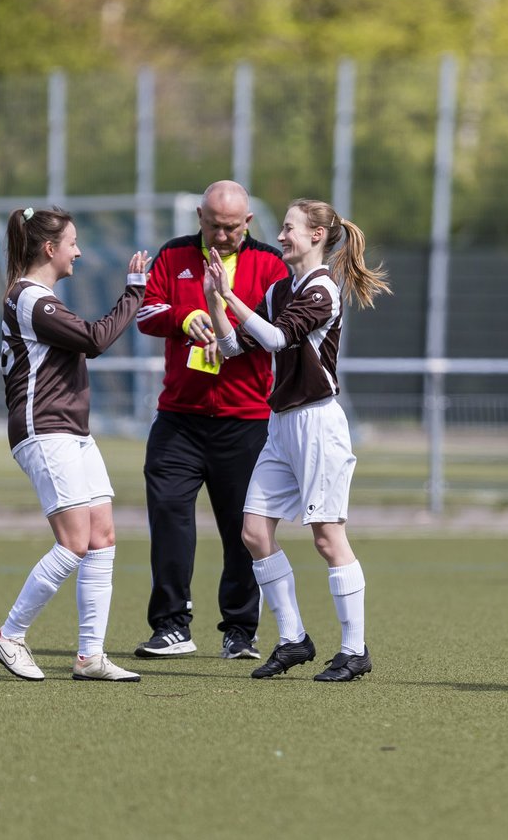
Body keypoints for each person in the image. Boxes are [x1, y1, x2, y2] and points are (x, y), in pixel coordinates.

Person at [202, 197, 390, 682]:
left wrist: (233, 299)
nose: (281, 235)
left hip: (317, 426)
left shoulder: (323, 289)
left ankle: (354, 650)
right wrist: (215, 300)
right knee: (254, 532)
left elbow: (276, 341)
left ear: (316, 236)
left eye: (289, 228)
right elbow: (232, 347)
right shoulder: (280, 288)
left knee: (328, 539)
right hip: (281, 424)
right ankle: (293, 640)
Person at [0, 206, 148, 683]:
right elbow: (96, 339)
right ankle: (10, 636)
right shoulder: (31, 299)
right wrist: (134, 292)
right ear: (50, 248)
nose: (78, 250)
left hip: (72, 431)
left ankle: (89, 657)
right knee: (75, 541)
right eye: (72, 242)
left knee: (101, 538)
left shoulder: (40, 298)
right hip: (45, 428)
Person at [133, 181, 290, 660]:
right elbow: (147, 312)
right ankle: (171, 626)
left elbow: (277, 334)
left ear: (247, 222)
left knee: (243, 529)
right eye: (213, 225)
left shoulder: (270, 264)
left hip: (246, 420)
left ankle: (240, 631)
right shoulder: (174, 254)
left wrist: (226, 320)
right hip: (178, 418)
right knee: (168, 517)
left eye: (232, 227)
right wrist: (187, 316)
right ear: (199, 215)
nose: (222, 236)